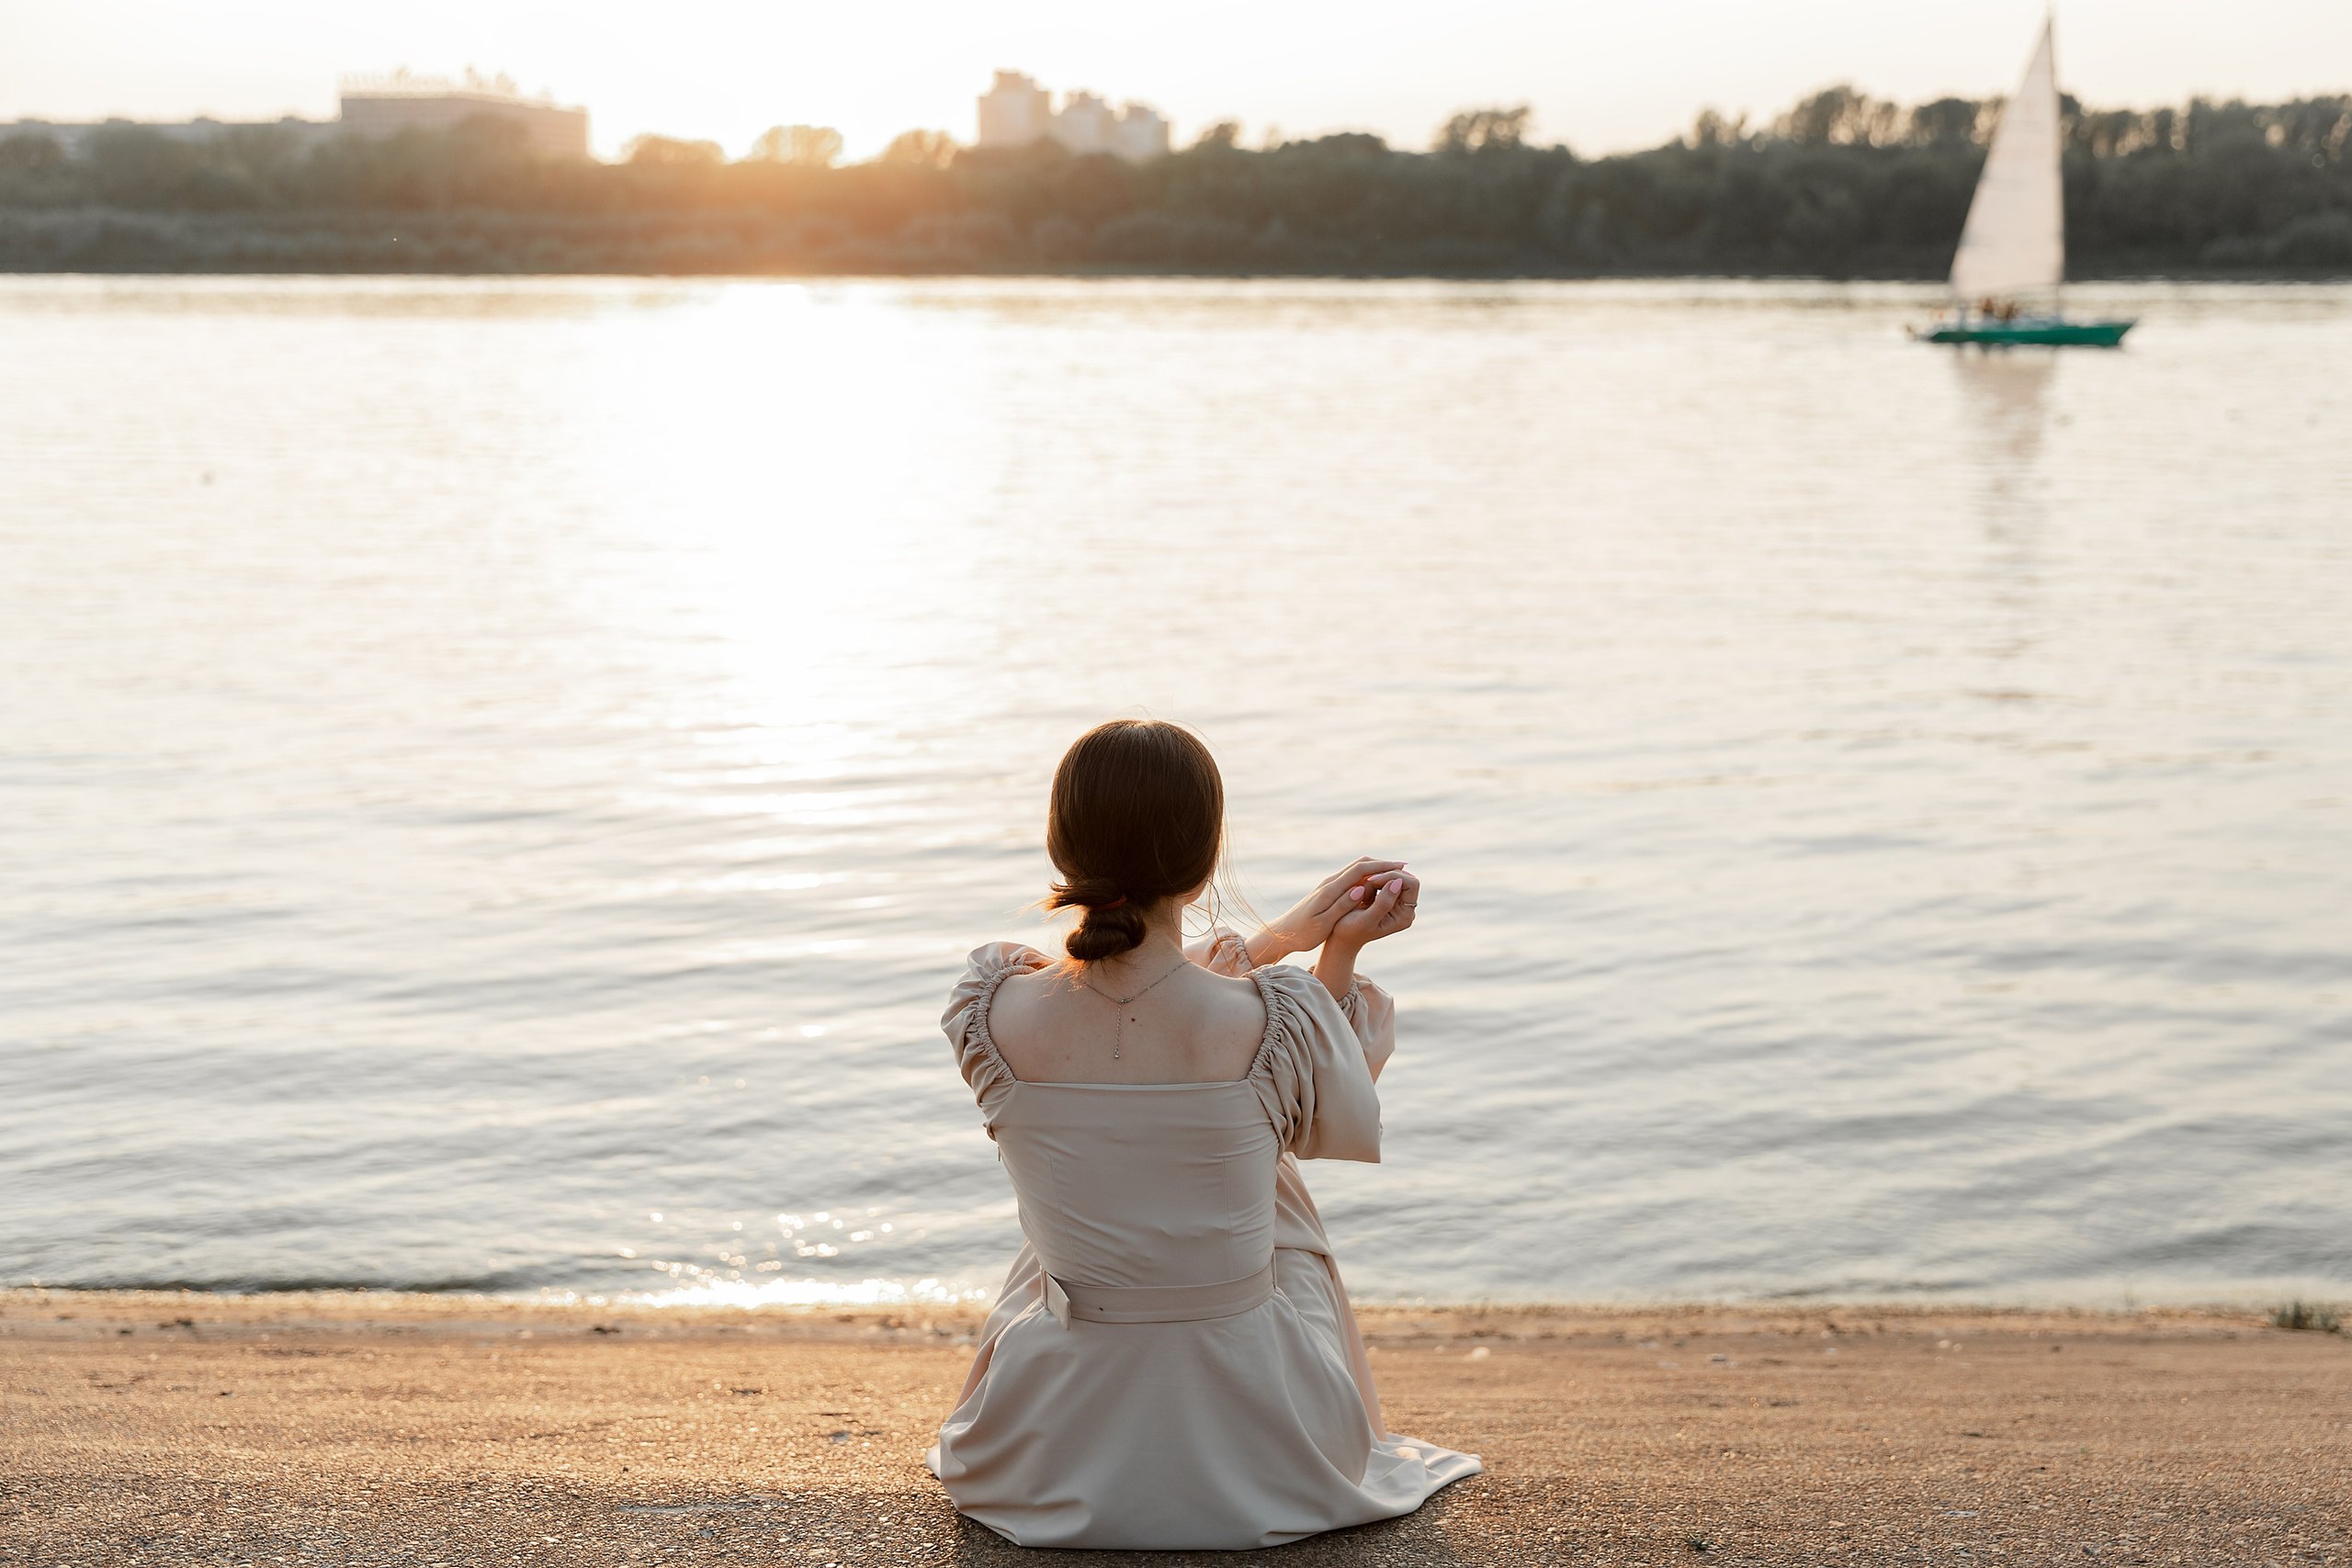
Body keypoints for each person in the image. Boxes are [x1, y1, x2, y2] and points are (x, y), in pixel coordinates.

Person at [924, 719, 1481, 1549]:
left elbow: (1142, 1018)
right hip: (1261, 1427)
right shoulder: (1269, 1019)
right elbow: (1327, 1110)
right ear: (1206, 854)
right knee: (1277, 1191)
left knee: (1083, 1215)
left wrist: (1287, 938)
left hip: (1048, 1436)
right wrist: (1334, 953)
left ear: (1062, 846)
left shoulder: (991, 1008)